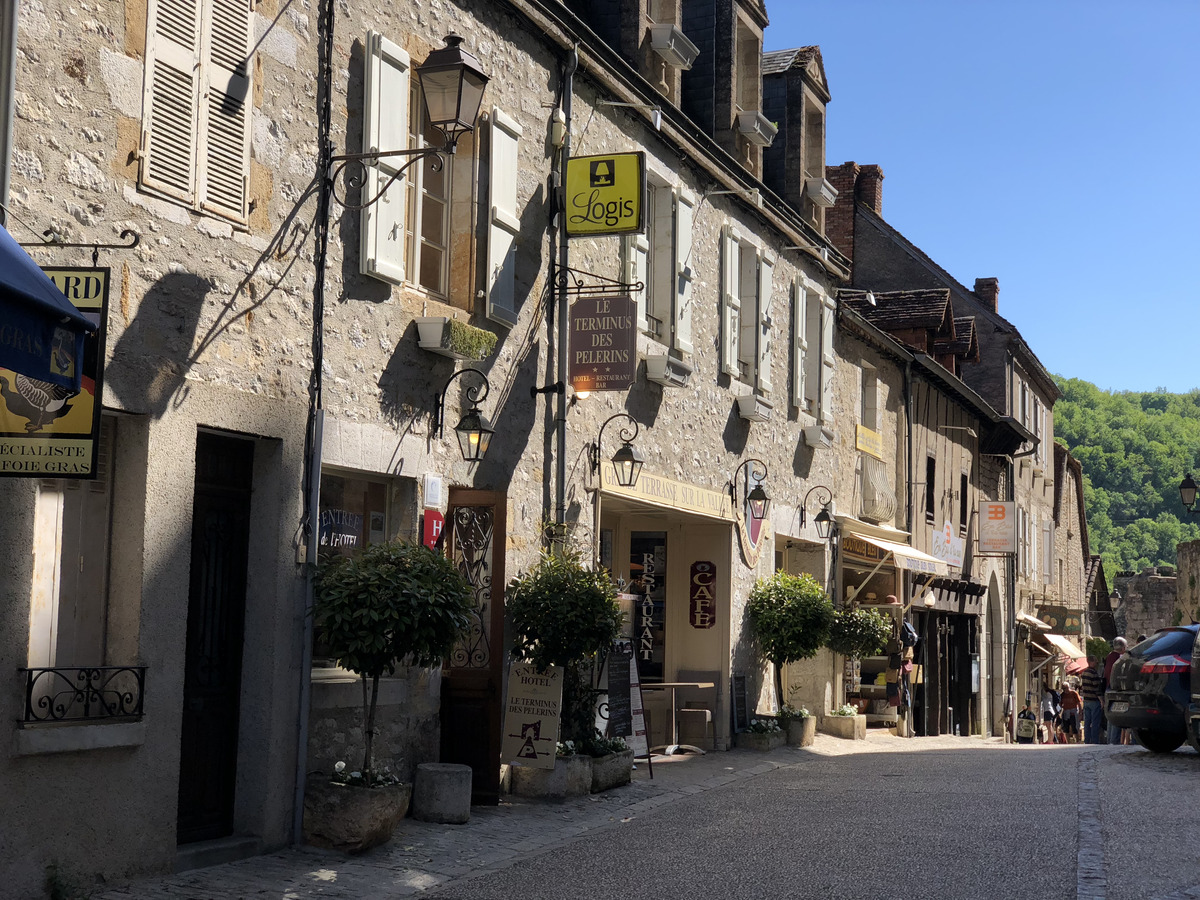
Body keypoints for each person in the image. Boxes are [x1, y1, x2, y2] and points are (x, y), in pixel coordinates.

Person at [1104, 637, 1128, 745]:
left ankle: (1110, 740)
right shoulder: (1120, 658)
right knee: (1116, 716)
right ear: (1123, 647)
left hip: (1108, 687)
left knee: (1110, 716)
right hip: (1116, 689)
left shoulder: (1109, 657)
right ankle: (1114, 742)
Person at [1080, 656, 1105, 743]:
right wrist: (1101, 700)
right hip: (1094, 701)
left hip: (1086, 700)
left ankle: (1087, 740)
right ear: (1091, 662)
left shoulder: (1084, 673)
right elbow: (1096, 688)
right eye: (1096, 661)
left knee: (1087, 722)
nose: (1097, 663)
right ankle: (1094, 741)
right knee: (1095, 722)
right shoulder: (1093, 673)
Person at [1060, 679, 1082, 743]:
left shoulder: (1074, 693)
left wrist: (1080, 712)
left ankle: (1077, 741)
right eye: (1063, 689)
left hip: (1073, 712)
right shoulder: (1062, 695)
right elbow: (1060, 704)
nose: (1064, 690)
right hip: (1066, 712)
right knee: (1066, 729)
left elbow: (1079, 703)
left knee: (1075, 727)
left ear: (1068, 687)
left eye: (1065, 688)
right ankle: (1068, 742)